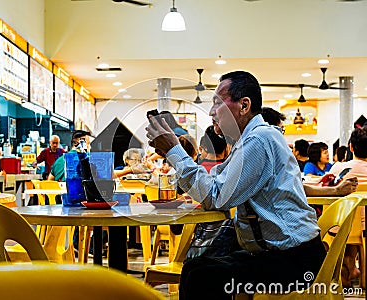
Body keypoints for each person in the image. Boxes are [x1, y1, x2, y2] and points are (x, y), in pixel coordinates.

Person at [146, 71, 326, 299]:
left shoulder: (258, 141)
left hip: (295, 261)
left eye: (217, 103)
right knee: (195, 268)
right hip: (284, 253)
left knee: (202, 277)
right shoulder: (251, 140)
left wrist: (174, 151)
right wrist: (174, 153)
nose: (211, 111)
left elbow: (216, 196)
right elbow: (215, 183)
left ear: (244, 105)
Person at [329, 126, 367, 287]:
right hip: (364, 228)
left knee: (349, 224)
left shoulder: (338, 168)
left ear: (351, 147)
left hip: (339, 226)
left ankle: (347, 269)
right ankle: (354, 269)